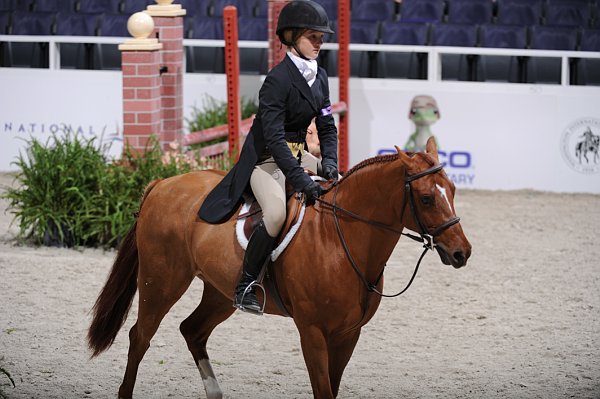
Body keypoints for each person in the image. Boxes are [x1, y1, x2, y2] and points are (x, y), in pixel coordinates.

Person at [198, 0, 339, 314]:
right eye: (313, 36)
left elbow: (327, 124)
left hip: (298, 154)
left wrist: (329, 160)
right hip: (266, 160)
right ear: (291, 37)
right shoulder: (277, 81)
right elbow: (274, 140)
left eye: (321, 37)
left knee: (337, 187)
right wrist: (302, 178)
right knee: (275, 214)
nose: (320, 42)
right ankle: (246, 284)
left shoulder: (321, 76)